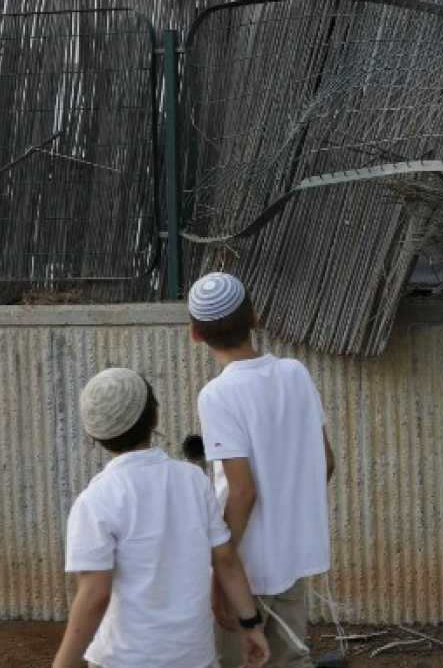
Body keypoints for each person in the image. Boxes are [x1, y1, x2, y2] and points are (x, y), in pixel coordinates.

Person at [53, 368, 270, 668]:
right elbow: (225, 558)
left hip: (125, 659)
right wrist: (251, 624)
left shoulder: (96, 500)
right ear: (155, 416)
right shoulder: (193, 480)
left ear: (94, 434)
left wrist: (63, 663)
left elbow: (94, 594)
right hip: (194, 657)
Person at [188, 272, 334, 668]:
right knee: (291, 659)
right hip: (292, 557)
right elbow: (326, 461)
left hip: (245, 565)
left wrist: (222, 568)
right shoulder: (295, 373)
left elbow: (243, 492)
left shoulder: (217, 395)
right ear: (255, 315)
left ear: (195, 334)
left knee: (238, 659)